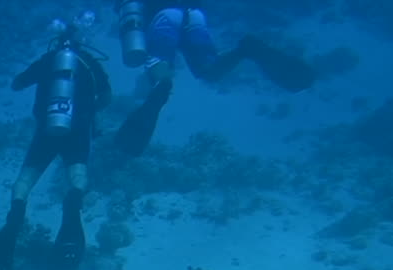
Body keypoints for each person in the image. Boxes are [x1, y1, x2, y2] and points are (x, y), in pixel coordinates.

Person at [0, 13, 112, 270]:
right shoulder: (90, 64)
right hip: (77, 131)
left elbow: (18, 83)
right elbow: (107, 98)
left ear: (58, 40)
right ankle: (71, 210)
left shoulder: (48, 61)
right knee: (77, 177)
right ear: (82, 42)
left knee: (25, 181)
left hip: (46, 131)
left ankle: (15, 218)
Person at [113, 2, 317, 156]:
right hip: (193, 15)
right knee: (209, 71)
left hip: (164, 18)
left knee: (159, 70)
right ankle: (247, 49)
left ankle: (161, 89)